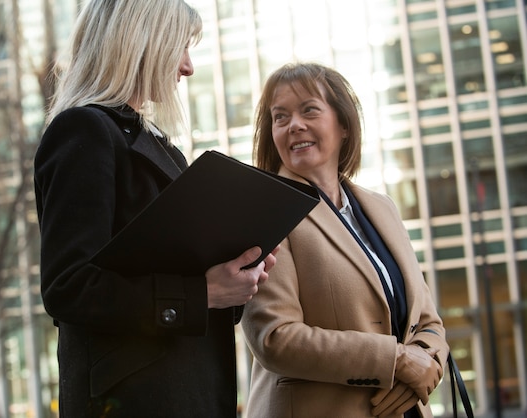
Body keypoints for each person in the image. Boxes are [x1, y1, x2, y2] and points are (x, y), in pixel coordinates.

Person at [33, 1, 277, 416]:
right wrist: (204, 293)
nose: (188, 67)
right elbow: (68, 287)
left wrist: (237, 278)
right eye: (180, 47)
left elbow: (183, 281)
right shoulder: (84, 131)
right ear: (143, 43)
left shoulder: (165, 151)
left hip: (190, 393)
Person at [240, 62, 450, 418]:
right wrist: (396, 361)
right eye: (280, 117)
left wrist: (427, 361)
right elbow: (275, 338)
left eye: (309, 110)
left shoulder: (382, 208)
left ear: (344, 125)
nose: (294, 125)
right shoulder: (264, 210)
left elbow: (427, 320)